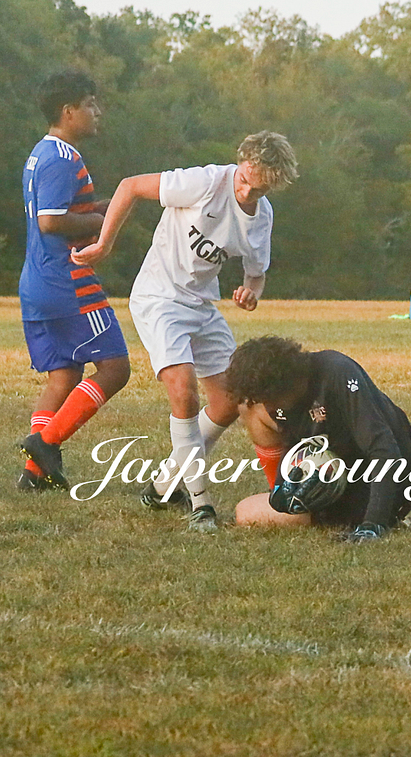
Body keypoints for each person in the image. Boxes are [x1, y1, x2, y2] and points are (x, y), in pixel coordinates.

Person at [70, 131, 299, 532]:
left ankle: (163, 485)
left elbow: (256, 274)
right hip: (159, 297)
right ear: (241, 162)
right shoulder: (205, 182)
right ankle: (200, 502)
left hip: (201, 305)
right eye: (245, 179)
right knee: (184, 392)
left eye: (258, 188)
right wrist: (104, 244)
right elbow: (130, 186)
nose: (246, 190)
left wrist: (251, 292)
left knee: (230, 401)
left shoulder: (262, 216)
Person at [16, 70, 130, 492]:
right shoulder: (63, 158)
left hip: (38, 281)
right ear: (68, 111)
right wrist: (101, 222)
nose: (98, 111)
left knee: (63, 376)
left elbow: (59, 210)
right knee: (115, 368)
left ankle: (35, 474)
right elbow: (50, 220)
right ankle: (45, 443)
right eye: (90, 104)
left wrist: (101, 206)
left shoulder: (40, 153)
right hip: (68, 282)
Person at [226, 336, 411, 543]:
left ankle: (350, 514)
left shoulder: (337, 373)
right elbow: (292, 441)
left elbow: (384, 450)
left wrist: (373, 524)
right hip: (340, 475)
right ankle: (298, 498)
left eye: (269, 399)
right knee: (246, 510)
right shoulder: (285, 399)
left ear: (284, 384)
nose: (268, 406)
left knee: (247, 512)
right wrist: (281, 489)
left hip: (379, 488)